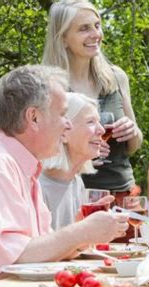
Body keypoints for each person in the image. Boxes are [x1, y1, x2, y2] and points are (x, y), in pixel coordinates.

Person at [0, 65, 128, 276]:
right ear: (34, 118)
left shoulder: (26, 167)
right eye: (63, 114)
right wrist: (82, 231)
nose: (68, 125)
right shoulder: (1, 165)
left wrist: (86, 233)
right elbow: (12, 260)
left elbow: (40, 250)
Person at [42, 0, 143, 207]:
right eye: (84, 29)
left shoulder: (116, 77)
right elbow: (41, 152)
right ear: (63, 39)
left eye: (97, 25)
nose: (95, 34)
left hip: (123, 192)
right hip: (74, 196)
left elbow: (133, 147)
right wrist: (82, 157)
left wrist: (132, 131)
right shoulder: (48, 87)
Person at [40, 92, 106, 230]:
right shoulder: (37, 186)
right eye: (91, 122)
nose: (102, 130)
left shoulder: (76, 183)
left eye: (98, 122)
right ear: (63, 132)